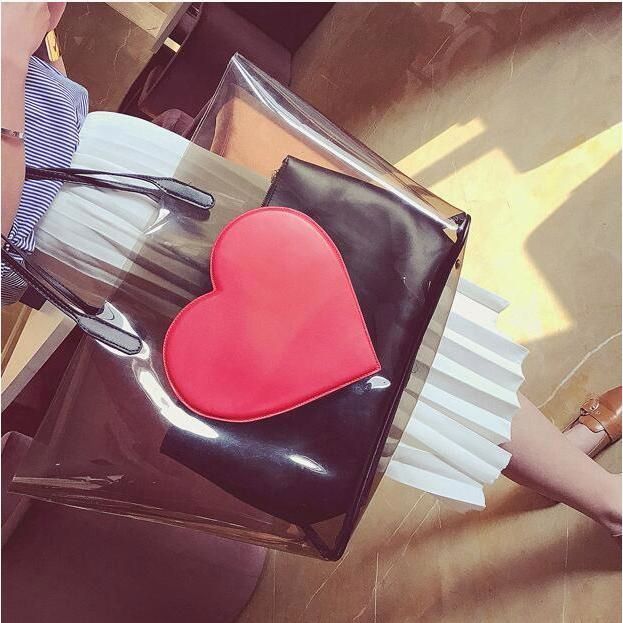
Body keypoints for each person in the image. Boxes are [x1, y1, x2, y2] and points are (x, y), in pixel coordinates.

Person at [1, 3, 621, 539]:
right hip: (96, 232)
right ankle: (604, 500)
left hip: (131, 171)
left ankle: (571, 472)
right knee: (367, 363)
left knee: (392, 324)